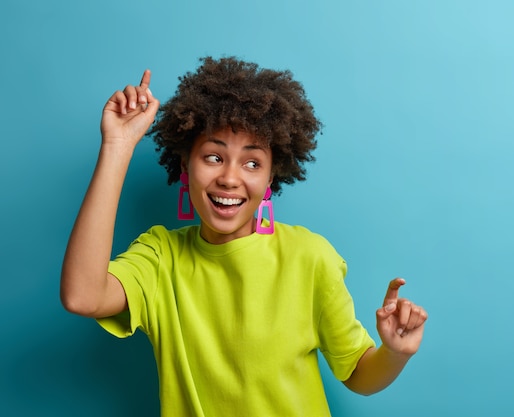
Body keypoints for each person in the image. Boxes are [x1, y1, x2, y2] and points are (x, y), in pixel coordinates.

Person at [61, 56, 428, 417]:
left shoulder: (309, 256)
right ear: (186, 164)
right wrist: (117, 146)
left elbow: (358, 374)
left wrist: (395, 352)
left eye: (252, 163)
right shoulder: (161, 257)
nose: (230, 179)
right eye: (213, 157)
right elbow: (83, 296)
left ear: (271, 177)